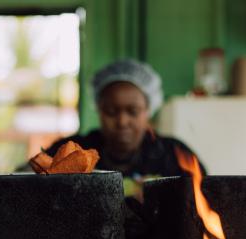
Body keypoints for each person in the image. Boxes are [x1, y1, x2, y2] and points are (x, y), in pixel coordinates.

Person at [45, 59, 204, 195]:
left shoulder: (175, 155)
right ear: (99, 110)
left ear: (148, 111)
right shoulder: (70, 153)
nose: (122, 121)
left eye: (133, 112)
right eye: (111, 111)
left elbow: (203, 206)